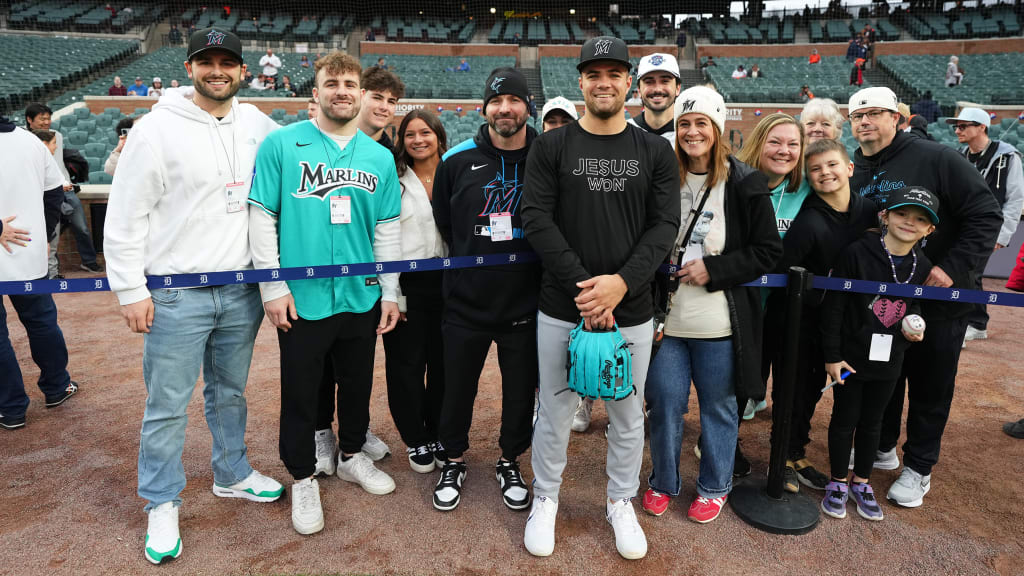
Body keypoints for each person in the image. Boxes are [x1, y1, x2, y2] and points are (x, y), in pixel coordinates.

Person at [103, 27, 285, 565]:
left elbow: (308, 146)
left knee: (229, 392)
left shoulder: (256, 122)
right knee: (167, 406)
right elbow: (126, 215)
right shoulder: (155, 129)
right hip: (176, 291)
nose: (218, 70)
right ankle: (161, 499)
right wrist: (130, 289)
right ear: (189, 67)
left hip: (240, 289)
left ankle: (231, 473)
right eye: (207, 61)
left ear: (243, 71)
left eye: (228, 62)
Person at [521, 36, 680, 560]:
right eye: (594, 73)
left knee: (627, 414)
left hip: (630, 308)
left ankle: (619, 501)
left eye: (615, 72)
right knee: (556, 408)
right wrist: (588, 289)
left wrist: (620, 284)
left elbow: (664, 226)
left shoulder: (655, 150)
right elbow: (536, 219)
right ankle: (546, 496)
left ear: (628, 82)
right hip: (562, 305)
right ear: (581, 81)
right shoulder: (552, 146)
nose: (604, 82)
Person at [248, 51, 402, 536]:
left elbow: (387, 230)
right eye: (331, 82)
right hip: (302, 297)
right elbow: (261, 217)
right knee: (299, 391)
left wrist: (392, 292)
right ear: (314, 93)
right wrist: (271, 286)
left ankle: (353, 454)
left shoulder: (378, 156)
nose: (341, 90)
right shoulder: (281, 145)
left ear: (360, 93)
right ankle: (302, 476)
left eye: (350, 83)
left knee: (357, 383)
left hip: (360, 295)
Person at [848, 86, 1000, 508]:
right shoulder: (857, 168)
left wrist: (951, 267)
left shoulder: (937, 157)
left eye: (875, 113)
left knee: (931, 385)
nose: (865, 122)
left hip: (940, 301)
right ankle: (883, 444)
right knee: (886, 374)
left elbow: (986, 213)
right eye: (858, 115)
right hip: (885, 300)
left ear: (896, 117)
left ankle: (919, 467)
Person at [642, 85, 781, 525]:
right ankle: (663, 481)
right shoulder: (662, 176)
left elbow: (767, 251)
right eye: (684, 123)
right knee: (664, 406)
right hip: (667, 321)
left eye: (701, 122)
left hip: (720, 323)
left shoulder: (744, 181)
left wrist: (715, 269)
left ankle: (715, 485)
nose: (692, 131)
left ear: (718, 128)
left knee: (719, 407)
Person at [430, 67, 541, 513]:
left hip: (527, 303)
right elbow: (444, 223)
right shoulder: (456, 161)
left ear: (527, 108)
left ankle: (510, 459)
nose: (505, 108)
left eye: (514, 100)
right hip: (466, 301)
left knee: (520, 391)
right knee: (456, 388)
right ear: (485, 108)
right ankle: (453, 459)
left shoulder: (547, 156)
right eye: (496, 101)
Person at [308, 63, 406, 479]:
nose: (383, 107)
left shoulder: (390, 150)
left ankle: (355, 431)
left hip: (365, 279)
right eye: (376, 96)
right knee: (319, 364)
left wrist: (391, 288)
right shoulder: (317, 139)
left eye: (391, 101)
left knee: (357, 365)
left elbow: (387, 223)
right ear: (359, 96)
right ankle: (320, 432)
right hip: (316, 275)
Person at [820, 186, 937, 522]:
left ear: (929, 230)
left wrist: (914, 324)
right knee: (845, 420)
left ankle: (862, 482)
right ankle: (838, 482)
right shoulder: (857, 252)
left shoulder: (922, 263)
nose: (908, 223)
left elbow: (912, 304)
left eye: (919, 220)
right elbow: (835, 306)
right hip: (849, 358)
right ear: (885, 216)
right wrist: (832, 355)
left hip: (890, 360)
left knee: (874, 424)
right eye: (901, 214)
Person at [735, 113, 821, 492]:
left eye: (793, 144)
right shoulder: (735, 182)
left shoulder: (805, 190)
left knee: (792, 383)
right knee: (738, 380)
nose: (784, 151)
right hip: (742, 301)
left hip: (788, 307)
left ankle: (785, 453)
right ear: (759, 143)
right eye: (775, 141)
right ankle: (719, 444)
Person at [0, 114, 79, 431]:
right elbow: (55, 192)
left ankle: (11, 408)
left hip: (24, 249)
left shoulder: (31, 140)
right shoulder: (30, 140)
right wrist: (45, 235)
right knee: (42, 322)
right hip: (28, 249)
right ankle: (57, 387)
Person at [384, 109, 449, 474]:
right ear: (401, 140)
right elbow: (386, 238)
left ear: (439, 136)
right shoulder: (393, 178)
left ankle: (438, 430)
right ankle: (415, 437)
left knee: (443, 365)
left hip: (450, 283)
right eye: (410, 134)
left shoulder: (455, 172)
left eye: (426, 132)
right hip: (406, 284)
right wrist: (390, 293)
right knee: (406, 365)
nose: (418, 140)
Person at [946, 108, 1024, 344]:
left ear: (982, 127)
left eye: (963, 126)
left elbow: (1015, 198)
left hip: (988, 228)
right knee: (968, 274)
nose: (958, 131)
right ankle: (973, 321)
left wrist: (1003, 234)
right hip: (962, 226)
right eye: (955, 127)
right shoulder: (959, 156)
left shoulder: (1009, 157)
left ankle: (975, 323)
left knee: (971, 273)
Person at [25, 103, 102, 275]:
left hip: (64, 189)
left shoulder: (57, 135)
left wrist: (63, 182)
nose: (46, 122)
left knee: (81, 227)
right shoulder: (24, 138)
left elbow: (57, 163)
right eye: (42, 118)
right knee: (51, 233)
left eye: (48, 118)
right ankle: (50, 271)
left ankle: (89, 261)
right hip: (43, 194)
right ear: (29, 120)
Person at [625, 52, 681, 148]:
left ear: (677, 88)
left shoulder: (689, 135)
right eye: (649, 82)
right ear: (639, 90)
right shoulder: (625, 133)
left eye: (665, 81)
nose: (657, 89)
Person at [354, 66, 405, 152]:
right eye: (377, 98)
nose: (384, 107)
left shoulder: (393, 159)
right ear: (361, 95)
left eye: (391, 101)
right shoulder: (330, 141)